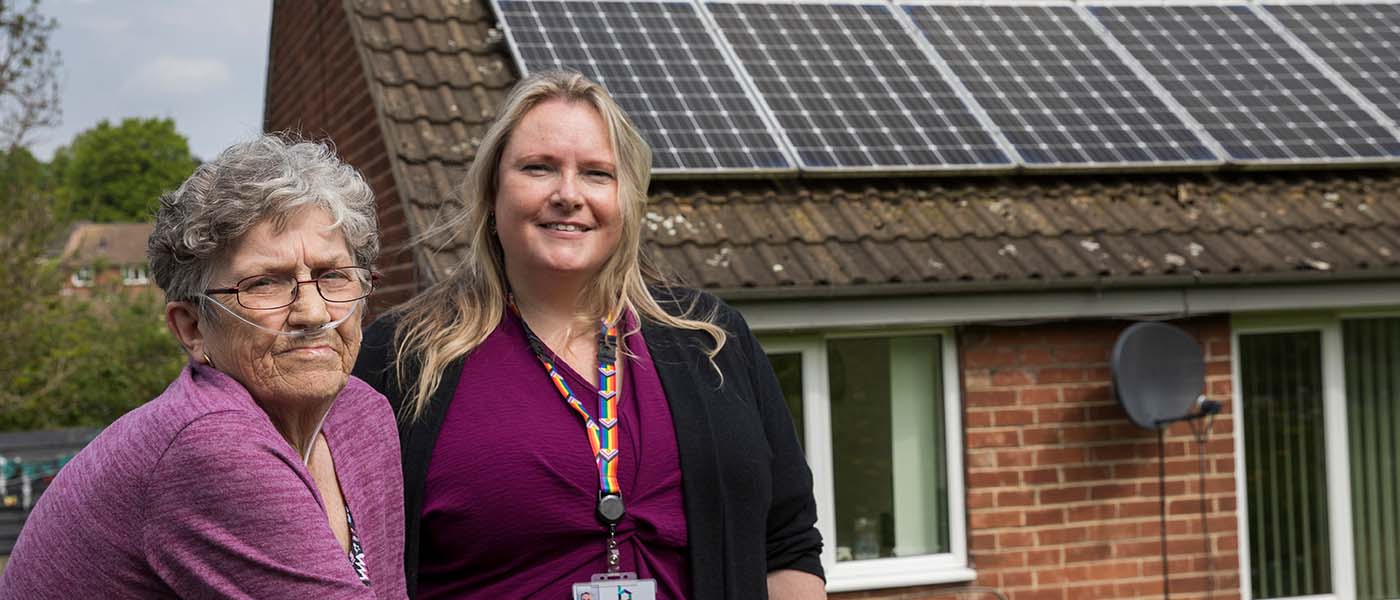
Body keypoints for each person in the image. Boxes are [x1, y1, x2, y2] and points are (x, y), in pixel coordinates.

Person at [353, 70, 825, 599]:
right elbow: (349, 563)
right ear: (492, 192)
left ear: (627, 196)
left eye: (598, 173)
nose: (568, 195)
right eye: (538, 168)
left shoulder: (713, 340)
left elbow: (787, 545)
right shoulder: (402, 356)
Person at [0, 136, 407, 599]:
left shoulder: (362, 415)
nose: (313, 313)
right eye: (264, 284)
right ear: (191, 327)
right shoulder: (209, 445)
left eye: (332, 275)